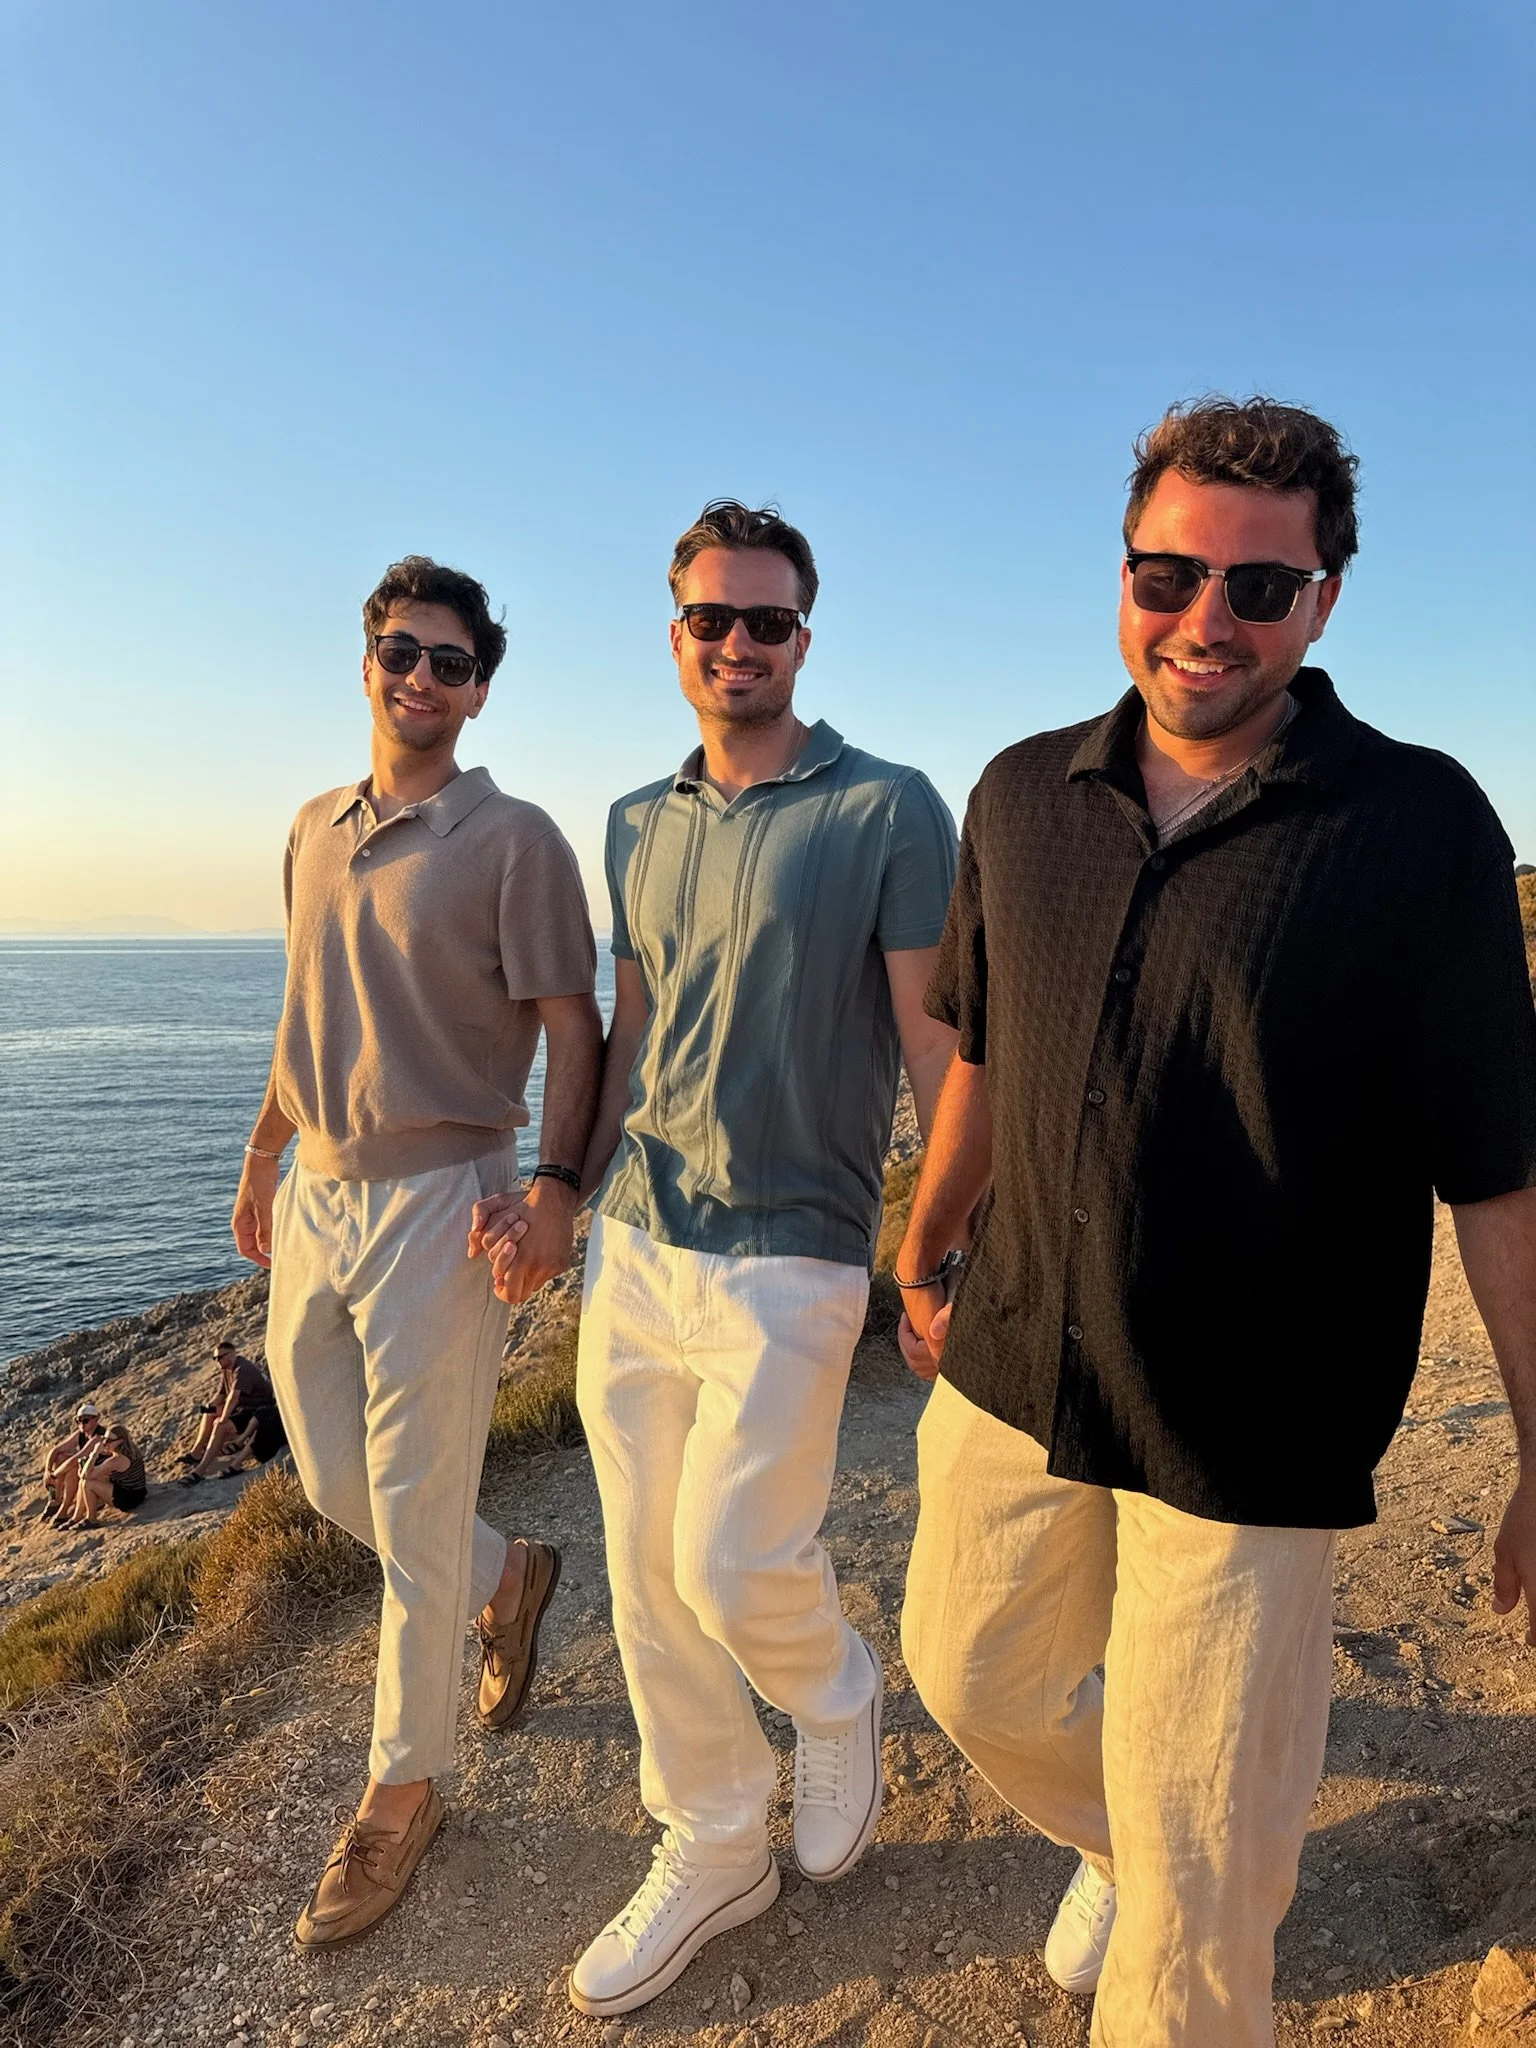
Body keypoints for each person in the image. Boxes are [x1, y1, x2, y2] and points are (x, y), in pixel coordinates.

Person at [894, 396, 1536, 2047]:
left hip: (1252, 1423)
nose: (1205, 621)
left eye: (1259, 587)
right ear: (1122, 569)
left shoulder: (1419, 827)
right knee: (969, 1672)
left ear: (1322, 599)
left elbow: (1496, 1170)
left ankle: (1186, 1874)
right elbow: (985, 1039)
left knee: (1189, 1941)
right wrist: (928, 1222)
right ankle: (1134, 1832)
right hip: (1017, 1344)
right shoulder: (1020, 794)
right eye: (1168, 573)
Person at [477, 501, 959, 2018]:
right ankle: (713, 1831)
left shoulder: (887, 807)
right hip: (637, 1246)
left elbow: (936, 1041)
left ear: (804, 637)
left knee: (736, 1558)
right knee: (641, 1578)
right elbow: (622, 1033)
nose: (739, 645)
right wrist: (561, 1185)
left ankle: (838, 1696)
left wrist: (946, 1245)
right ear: (674, 635)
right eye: (713, 620)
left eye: (768, 622)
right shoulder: (635, 819)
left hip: (797, 1252)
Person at [230, 555, 603, 1952]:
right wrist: (264, 1152)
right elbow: (303, 1002)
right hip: (316, 1194)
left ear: (481, 686)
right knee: (332, 1475)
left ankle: (403, 1787)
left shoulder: (515, 841)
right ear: (368, 660)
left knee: (416, 1489)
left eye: (451, 661)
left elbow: (577, 1025)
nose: (422, 677)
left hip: (448, 1197)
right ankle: (509, 1578)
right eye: (402, 650)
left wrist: (554, 1191)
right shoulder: (314, 828)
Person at [178, 1339, 286, 1482]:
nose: (218, 1361)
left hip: (255, 1410)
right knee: (209, 1412)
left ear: (231, 1355)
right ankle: (196, 1452)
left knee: (220, 1425)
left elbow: (233, 1398)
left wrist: (223, 1418)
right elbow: (221, 1395)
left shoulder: (243, 1369)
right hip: (242, 1408)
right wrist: (207, 1407)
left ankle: (200, 1471)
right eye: (215, 1358)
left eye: (220, 1357)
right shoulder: (227, 1370)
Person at [71, 1422, 148, 1523]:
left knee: (88, 1483)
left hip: (129, 1499)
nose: (105, 1443)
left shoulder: (117, 1459)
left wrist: (94, 1454)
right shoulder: (130, 1451)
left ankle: (91, 1519)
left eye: (109, 1440)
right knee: (91, 1479)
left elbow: (85, 1476)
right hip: (138, 1492)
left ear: (120, 1441)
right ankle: (76, 1517)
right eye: (104, 1439)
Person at [40, 1403, 104, 1521]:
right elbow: (55, 1450)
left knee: (73, 1468)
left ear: (96, 1419)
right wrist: (47, 1471)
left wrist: (54, 1475)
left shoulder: (99, 1437)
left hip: (102, 1479)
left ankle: (64, 1509)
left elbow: (76, 1459)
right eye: (78, 1421)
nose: (81, 1424)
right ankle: (55, 1501)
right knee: (60, 1457)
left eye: (85, 1421)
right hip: (90, 1473)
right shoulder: (81, 1435)